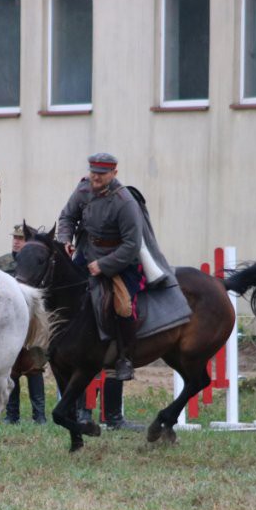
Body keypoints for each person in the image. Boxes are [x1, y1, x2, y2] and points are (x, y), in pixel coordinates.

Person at [56, 152, 170, 382]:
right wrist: (65, 240)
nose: (95, 177)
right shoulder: (83, 190)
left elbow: (132, 245)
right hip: (86, 253)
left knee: (123, 307)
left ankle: (125, 358)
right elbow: (67, 217)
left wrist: (104, 265)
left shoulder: (125, 202)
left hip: (121, 261)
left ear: (114, 173)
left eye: (101, 173)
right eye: (93, 172)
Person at [0, 224, 46, 424]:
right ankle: (11, 415)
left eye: (20, 238)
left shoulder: (37, 262)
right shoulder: (2, 262)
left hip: (31, 320)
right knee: (10, 367)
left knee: (34, 365)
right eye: (14, 238)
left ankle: (39, 416)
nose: (16, 241)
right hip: (8, 322)